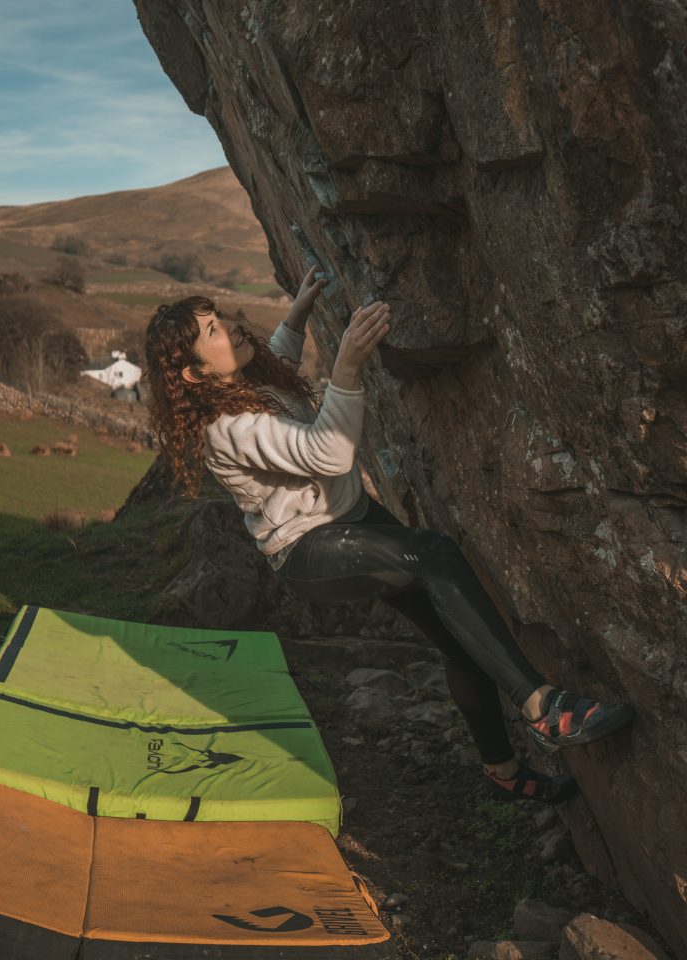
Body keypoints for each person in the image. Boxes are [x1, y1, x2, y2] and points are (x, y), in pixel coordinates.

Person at [145, 266, 635, 806]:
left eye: (221, 316)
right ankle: (543, 707)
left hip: (353, 519)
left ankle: (502, 771)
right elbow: (326, 453)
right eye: (212, 330)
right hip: (310, 550)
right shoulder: (227, 428)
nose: (231, 327)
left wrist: (298, 313)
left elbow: (278, 362)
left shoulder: (243, 383)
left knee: (461, 640)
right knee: (433, 554)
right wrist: (347, 366)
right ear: (193, 374)